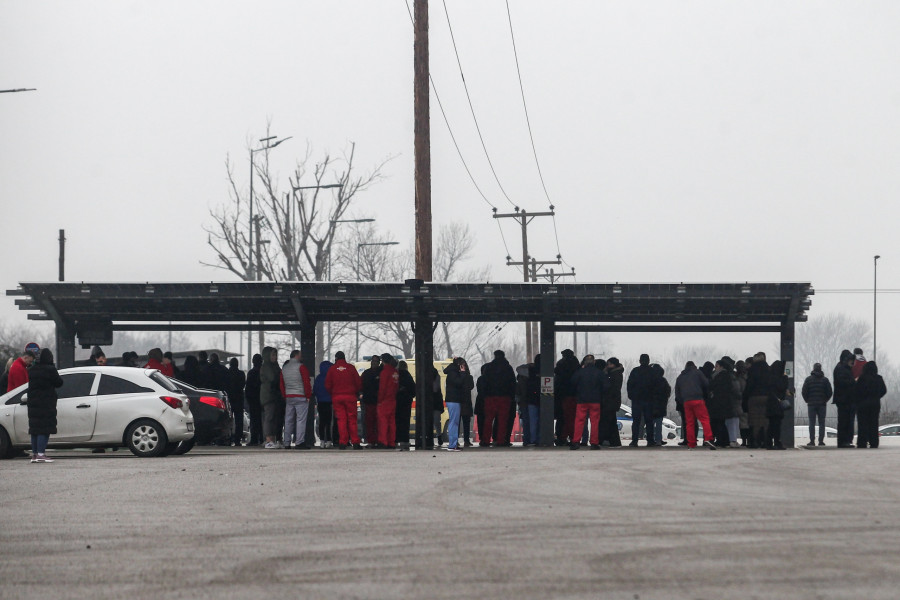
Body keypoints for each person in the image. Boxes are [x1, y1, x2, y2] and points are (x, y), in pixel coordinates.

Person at [27, 348, 63, 463]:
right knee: (44, 429)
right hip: (46, 403)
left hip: (33, 403)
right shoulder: (50, 369)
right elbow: (59, 382)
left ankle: (35, 454)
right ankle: (41, 454)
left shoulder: (31, 370)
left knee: (34, 430)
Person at [325, 351, 363, 449]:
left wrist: (333, 393)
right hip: (350, 397)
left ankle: (342, 442)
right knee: (352, 420)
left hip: (337, 398)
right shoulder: (351, 368)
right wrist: (356, 392)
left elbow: (327, 385)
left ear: (336, 358)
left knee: (341, 420)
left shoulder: (332, 369)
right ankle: (355, 442)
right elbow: (358, 383)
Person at [674, 361, 716, 450]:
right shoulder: (697, 372)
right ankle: (708, 438)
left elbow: (677, 392)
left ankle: (691, 443)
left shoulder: (680, 377)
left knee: (689, 423)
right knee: (704, 419)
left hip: (686, 402)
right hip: (698, 399)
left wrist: (683, 401)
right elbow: (706, 383)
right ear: (694, 366)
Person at [569, 355, 608, 450]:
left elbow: (572, 383)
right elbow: (606, 386)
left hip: (581, 401)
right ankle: (594, 443)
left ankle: (576, 441)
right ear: (594, 362)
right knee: (595, 422)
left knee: (579, 421)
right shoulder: (599, 373)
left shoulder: (579, 372)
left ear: (585, 362)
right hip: (595, 401)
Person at [480, 350, 516, 447]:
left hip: (490, 398)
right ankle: (501, 441)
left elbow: (484, 382)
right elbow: (512, 383)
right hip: (505, 398)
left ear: (494, 356)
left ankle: (485, 440)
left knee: (488, 420)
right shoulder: (508, 368)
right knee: (502, 421)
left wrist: (485, 396)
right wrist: (512, 397)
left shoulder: (488, 367)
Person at [281, 350, 312, 449]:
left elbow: (281, 384)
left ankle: (286, 443)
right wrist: (308, 396)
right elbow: (306, 382)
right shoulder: (301, 367)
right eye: (300, 355)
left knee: (288, 420)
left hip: (289, 397)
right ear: (296, 356)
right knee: (301, 420)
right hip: (300, 396)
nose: (301, 357)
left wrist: (285, 396)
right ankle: (299, 442)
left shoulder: (284, 368)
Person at [444, 357, 474, 452]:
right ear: (460, 365)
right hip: (454, 400)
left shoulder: (452, 372)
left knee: (455, 422)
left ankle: (453, 443)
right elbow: (459, 382)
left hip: (454, 400)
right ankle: (452, 445)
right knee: (454, 422)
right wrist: (463, 373)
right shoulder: (454, 373)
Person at [855, 362, 887, 449]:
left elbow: (856, 391)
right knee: (874, 423)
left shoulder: (861, 378)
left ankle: (862, 442)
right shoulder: (879, 378)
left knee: (862, 424)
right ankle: (874, 442)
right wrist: (877, 396)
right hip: (875, 404)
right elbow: (884, 390)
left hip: (862, 404)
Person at [626, 354, 656, 446]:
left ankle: (634, 440)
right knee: (649, 421)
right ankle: (650, 440)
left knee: (636, 422)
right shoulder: (652, 372)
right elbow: (656, 386)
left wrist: (632, 396)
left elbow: (629, 384)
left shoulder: (635, 371)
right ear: (648, 361)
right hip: (649, 400)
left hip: (637, 400)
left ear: (640, 361)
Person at [743, 352, 771, 449]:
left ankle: (754, 442)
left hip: (754, 398)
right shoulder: (768, 369)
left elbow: (749, 385)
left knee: (754, 421)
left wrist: (745, 397)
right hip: (766, 398)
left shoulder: (752, 370)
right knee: (765, 420)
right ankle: (766, 441)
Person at [801, 363, 833, 447]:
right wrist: (825, 400)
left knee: (812, 423)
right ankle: (821, 441)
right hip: (822, 404)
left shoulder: (808, 380)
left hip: (811, 404)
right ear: (820, 369)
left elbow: (804, 392)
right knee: (821, 423)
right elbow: (830, 392)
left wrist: (807, 400)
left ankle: (812, 441)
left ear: (813, 369)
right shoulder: (825, 380)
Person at [707, 357, 736, 447]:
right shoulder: (724, 375)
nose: (715, 368)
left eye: (717, 366)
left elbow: (719, 388)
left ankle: (722, 440)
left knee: (719, 422)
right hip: (722, 403)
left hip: (720, 403)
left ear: (721, 367)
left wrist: (712, 392)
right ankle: (722, 440)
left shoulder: (722, 376)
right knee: (720, 422)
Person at [554, 349, 580, 446]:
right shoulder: (576, 365)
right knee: (573, 418)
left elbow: (558, 379)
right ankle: (573, 437)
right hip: (574, 395)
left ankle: (561, 437)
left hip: (562, 395)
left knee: (562, 418)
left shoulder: (561, 365)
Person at [833, 349, 857, 448]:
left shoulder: (842, 368)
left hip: (844, 398)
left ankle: (845, 440)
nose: (852, 362)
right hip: (845, 399)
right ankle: (844, 441)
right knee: (845, 420)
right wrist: (854, 381)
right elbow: (841, 383)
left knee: (846, 420)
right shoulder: (842, 369)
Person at [260, 347, 283, 449]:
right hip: (269, 395)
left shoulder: (274, 366)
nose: (275, 357)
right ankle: (269, 440)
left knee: (274, 418)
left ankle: (272, 440)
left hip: (274, 395)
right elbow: (273, 378)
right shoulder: (267, 366)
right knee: (269, 417)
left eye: (275, 355)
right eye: (273, 355)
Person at [376, 353, 399, 450]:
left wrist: (379, 400)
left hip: (384, 401)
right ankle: (391, 442)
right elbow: (396, 387)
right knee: (391, 422)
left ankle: (383, 441)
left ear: (383, 361)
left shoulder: (384, 372)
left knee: (383, 422)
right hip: (393, 400)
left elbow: (382, 388)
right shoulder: (395, 372)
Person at [600, 358, 623, 447]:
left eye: (609, 364)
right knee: (612, 421)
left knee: (608, 421)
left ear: (613, 365)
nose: (607, 366)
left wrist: (605, 374)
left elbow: (609, 388)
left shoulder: (614, 375)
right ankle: (614, 441)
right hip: (613, 401)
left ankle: (608, 440)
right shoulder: (616, 373)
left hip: (610, 401)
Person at [766, 360, 790, 450]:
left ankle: (769, 442)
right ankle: (777, 442)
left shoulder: (769, 377)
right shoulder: (781, 378)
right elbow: (782, 387)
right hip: (777, 404)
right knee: (776, 425)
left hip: (770, 404)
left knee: (771, 425)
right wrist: (785, 378)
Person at [360, 356, 381, 446]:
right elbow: (361, 385)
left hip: (378, 401)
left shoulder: (380, 373)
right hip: (369, 401)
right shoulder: (366, 373)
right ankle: (371, 440)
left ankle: (377, 440)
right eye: (373, 361)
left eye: (376, 361)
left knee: (378, 422)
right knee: (370, 422)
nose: (374, 363)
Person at [313, 359, 334, 448]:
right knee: (329, 422)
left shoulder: (318, 378)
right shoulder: (331, 378)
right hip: (329, 402)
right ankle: (328, 440)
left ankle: (322, 441)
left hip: (321, 402)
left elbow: (315, 390)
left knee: (321, 422)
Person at [395, 361, 416, 450]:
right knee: (405, 422)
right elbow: (414, 390)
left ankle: (395, 439)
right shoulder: (408, 376)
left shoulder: (395, 375)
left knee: (396, 421)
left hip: (396, 402)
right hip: (406, 402)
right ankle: (404, 440)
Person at [649, 364, 671, 446]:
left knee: (650, 424)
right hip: (661, 405)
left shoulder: (650, 380)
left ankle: (650, 440)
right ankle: (658, 440)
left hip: (650, 405)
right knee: (658, 424)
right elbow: (668, 391)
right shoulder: (663, 381)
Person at [517, 360, 538, 446]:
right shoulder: (534, 378)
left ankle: (527, 439)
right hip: (532, 401)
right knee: (533, 422)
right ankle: (533, 439)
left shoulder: (521, 378)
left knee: (526, 422)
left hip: (523, 402)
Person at [245, 354, 263, 446]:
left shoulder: (251, 373)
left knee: (254, 420)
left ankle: (254, 439)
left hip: (253, 400)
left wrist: (248, 400)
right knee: (262, 420)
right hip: (263, 400)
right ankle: (262, 438)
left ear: (253, 361)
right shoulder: (263, 372)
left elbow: (248, 388)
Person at [227, 358, 246, 446]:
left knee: (228, 419)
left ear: (230, 364)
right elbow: (243, 385)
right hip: (239, 399)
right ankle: (237, 439)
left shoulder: (227, 373)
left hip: (229, 399)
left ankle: (228, 438)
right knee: (239, 420)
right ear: (237, 364)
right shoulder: (241, 374)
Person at [735, 360, 750, 446]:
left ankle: (744, 441)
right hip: (748, 400)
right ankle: (748, 440)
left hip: (741, 401)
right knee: (748, 421)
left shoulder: (737, 377)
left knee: (743, 422)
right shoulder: (748, 376)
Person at [430, 365, 445, 447]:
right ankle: (438, 436)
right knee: (436, 421)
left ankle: (436, 436)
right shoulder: (436, 375)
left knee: (433, 421)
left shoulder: (435, 375)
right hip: (436, 402)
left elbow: (435, 388)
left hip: (433, 402)